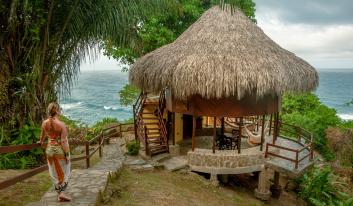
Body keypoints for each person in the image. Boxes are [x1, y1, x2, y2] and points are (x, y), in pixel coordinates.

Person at [39, 102, 71, 202]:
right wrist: (67, 155)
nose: (60, 111)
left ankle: (59, 194)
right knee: (64, 172)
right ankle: (62, 193)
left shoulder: (44, 123)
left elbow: (42, 137)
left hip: (49, 150)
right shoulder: (62, 125)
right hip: (59, 151)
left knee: (53, 173)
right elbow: (63, 141)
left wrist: (40, 142)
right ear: (57, 111)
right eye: (60, 109)